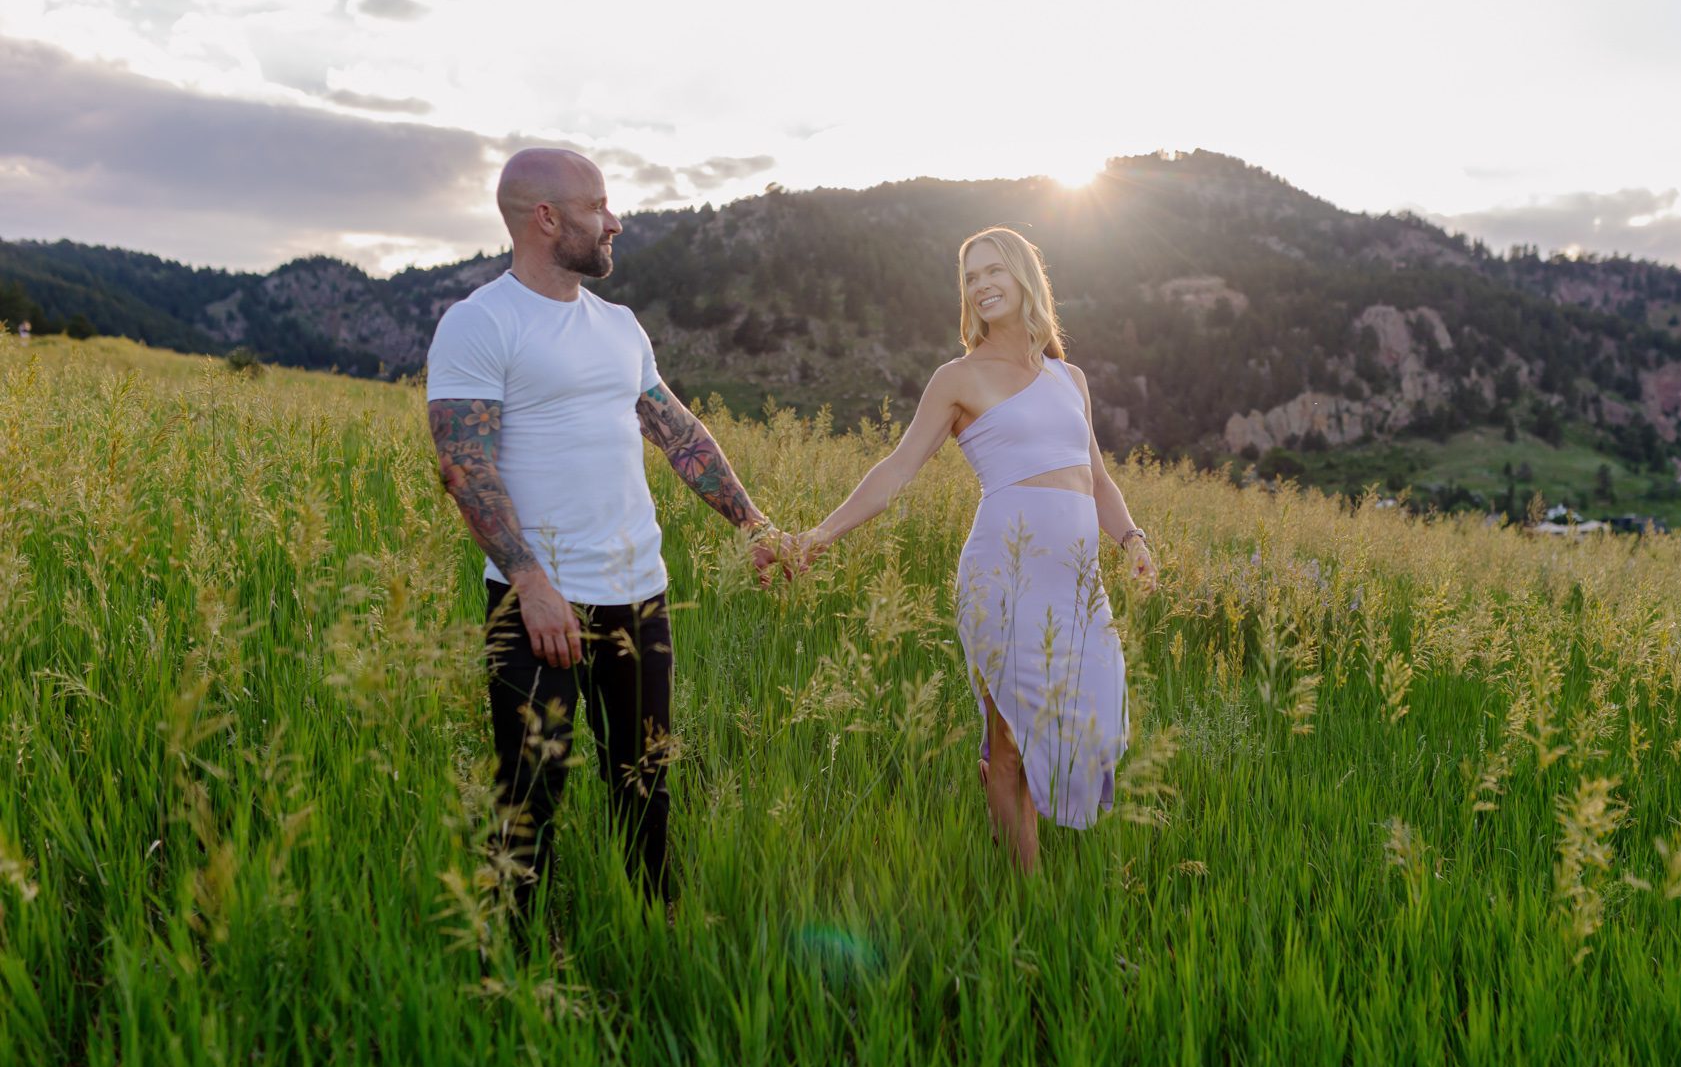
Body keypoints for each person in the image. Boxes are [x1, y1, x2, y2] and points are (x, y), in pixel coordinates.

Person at [425, 147, 783, 922]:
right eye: (598, 206)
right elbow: (465, 467)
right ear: (545, 218)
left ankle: (656, 934)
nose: (614, 220)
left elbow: (678, 432)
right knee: (529, 797)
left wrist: (753, 522)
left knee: (646, 783)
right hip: (538, 606)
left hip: (639, 596)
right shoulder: (480, 323)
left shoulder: (619, 325)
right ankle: (517, 975)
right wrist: (530, 583)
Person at [794, 226, 1156, 872]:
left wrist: (1131, 538)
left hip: (1077, 585)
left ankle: (1027, 856)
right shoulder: (957, 378)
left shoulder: (1070, 378)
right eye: (970, 276)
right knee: (1010, 742)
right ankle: (1025, 898)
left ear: (1025, 279)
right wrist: (820, 535)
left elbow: (1096, 479)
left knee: (1094, 720)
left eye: (994, 271)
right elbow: (896, 469)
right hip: (1003, 574)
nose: (983, 284)